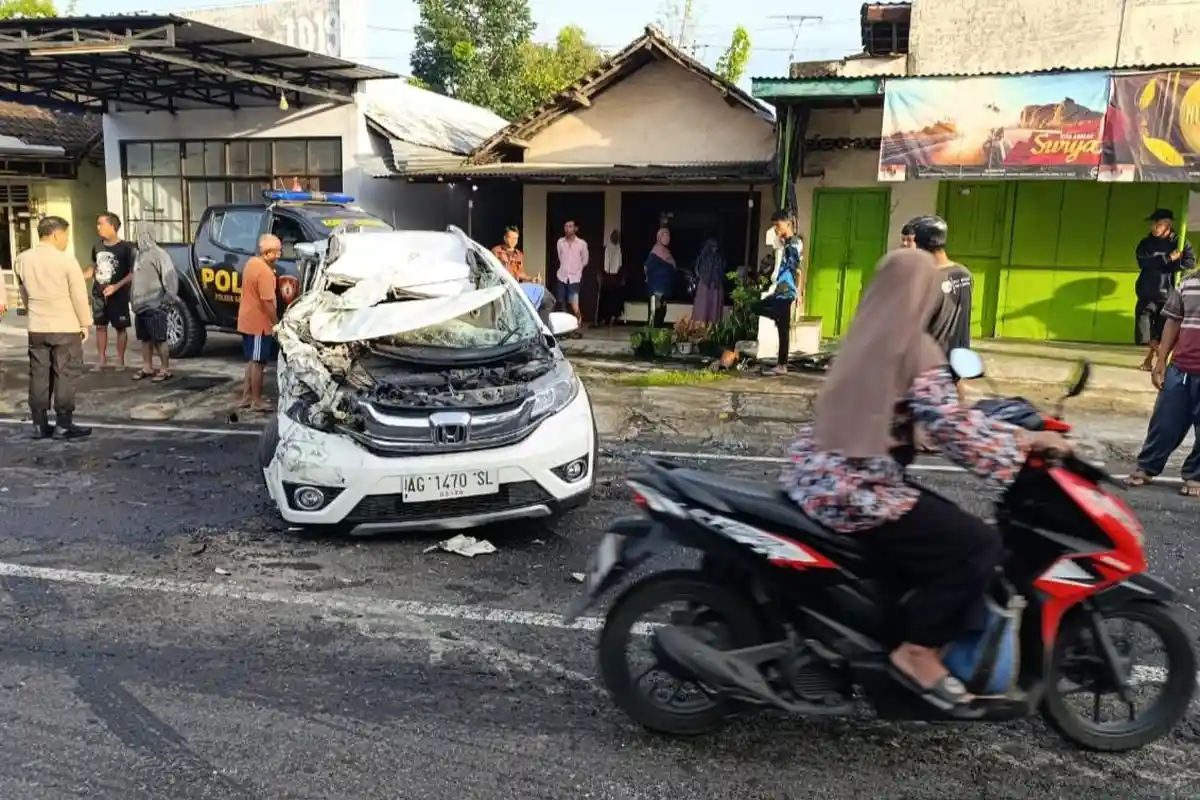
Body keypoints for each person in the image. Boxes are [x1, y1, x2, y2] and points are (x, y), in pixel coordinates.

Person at [780, 248, 1070, 714]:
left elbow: (897, 414)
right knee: (977, 544)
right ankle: (917, 651)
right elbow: (950, 429)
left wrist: (1004, 430)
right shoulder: (915, 349)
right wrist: (1022, 446)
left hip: (811, 480)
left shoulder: (862, 337)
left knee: (936, 525)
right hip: (860, 492)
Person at [13, 216, 92, 440]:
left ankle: (39, 424)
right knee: (64, 374)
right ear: (56, 234)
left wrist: (34, 311)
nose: (66, 240)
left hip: (36, 326)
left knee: (38, 375)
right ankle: (64, 425)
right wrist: (84, 323)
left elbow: (24, 293)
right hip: (64, 326)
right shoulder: (65, 260)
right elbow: (78, 295)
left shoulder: (22, 259)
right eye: (66, 235)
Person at [1123, 265, 1200, 495]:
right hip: (1180, 368)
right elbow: (1173, 322)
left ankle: (1195, 475)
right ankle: (1147, 467)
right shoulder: (1188, 283)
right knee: (1164, 422)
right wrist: (1160, 361)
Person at [1135, 209, 1195, 372]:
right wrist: (1167, 259)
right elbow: (1143, 262)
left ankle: (1153, 361)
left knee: (1162, 333)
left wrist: (1176, 264)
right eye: (1152, 224)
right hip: (1147, 292)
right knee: (1144, 332)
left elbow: (1190, 263)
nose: (1154, 227)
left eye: (1158, 224)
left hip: (1168, 294)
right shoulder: (1145, 243)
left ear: (1168, 225)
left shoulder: (1180, 242)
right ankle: (1163, 356)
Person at [752, 211, 802, 376]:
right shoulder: (787, 242)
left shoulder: (794, 243)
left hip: (786, 290)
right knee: (757, 308)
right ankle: (782, 364)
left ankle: (782, 365)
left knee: (783, 331)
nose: (776, 228)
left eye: (778, 225)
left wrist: (799, 292)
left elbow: (797, 269)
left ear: (787, 224)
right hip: (781, 289)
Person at [129, 224, 179, 383]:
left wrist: (167, 300)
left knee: (159, 339)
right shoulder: (138, 254)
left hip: (155, 304)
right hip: (140, 305)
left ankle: (165, 369)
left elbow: (170, 279)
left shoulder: (160, 255)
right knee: (145, 339)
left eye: (138, 234)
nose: (136, 237)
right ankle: (147, 367)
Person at [238, 234, 281, 412]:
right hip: (259, 325)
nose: (279, 255)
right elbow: (268, 303)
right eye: (277, 251)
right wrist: (276, 324)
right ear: (268, 252)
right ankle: (256, 400)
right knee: (258, 363)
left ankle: (247, 396)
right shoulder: (264, 272)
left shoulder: (252, 263)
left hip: (247, 321)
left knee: (251, 360)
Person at [89, 211, 136, 371]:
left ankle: (120, 360)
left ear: (113, 226)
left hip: (119, 294)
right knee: (100, 326)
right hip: (99, 293)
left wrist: (116, 286)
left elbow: (132, 273)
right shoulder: (97, 246)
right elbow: (93, 268)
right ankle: (102, 359)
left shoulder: (126, 248)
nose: (98, 228)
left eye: (101, 224)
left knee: (120, 328)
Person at [555, 220, 588, 328]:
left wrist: (578, 269)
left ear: (575, 229)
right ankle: (564, 326)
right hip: (562, 275)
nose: (567, 228)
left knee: (573, 303)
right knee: (561, 301)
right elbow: (560, 257)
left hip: (574, 278)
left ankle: (578, 319)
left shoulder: (582, 244)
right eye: (565, 226)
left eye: (570, 226)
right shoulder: (560, 242)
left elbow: (585, 259)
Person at [644, 228, 676, 329]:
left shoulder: (666, 252)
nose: (667, 238)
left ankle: (658, 334)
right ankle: (651, 335)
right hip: (656, 289)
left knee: (662, 311)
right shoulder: (655, 252)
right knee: (655, 312)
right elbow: (647, 267)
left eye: (668, 236)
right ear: (659, 237)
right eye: (665, 236)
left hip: (664, 289)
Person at [691, 236, 727, 324]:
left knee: (714, 308)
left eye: (716, 246)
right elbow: (697, 268)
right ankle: (701, 327)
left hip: (716, 286)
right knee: (703, 307)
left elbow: (723, 269)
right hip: (705, 284)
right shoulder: (704, 256)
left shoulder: (719, 258)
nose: (715, 248)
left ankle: (712, 327)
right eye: (713, 246)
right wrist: (703, 277)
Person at [598, 229, 624, 326]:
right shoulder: (608, 248)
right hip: (608, 276)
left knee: (614, 298)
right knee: (606, 298)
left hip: (615, 277)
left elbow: (620, 264)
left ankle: (612, 317)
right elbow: (605, 264)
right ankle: (605, 318)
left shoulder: (619, 249)